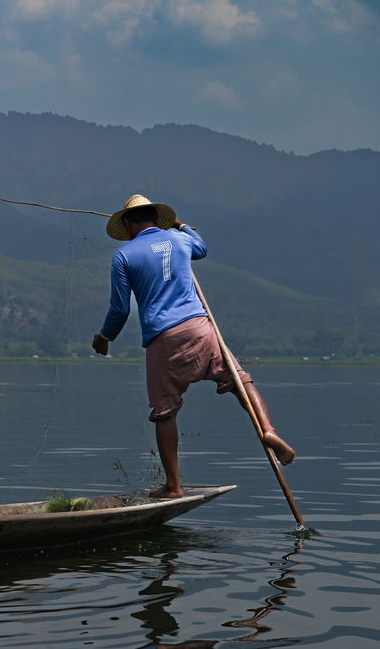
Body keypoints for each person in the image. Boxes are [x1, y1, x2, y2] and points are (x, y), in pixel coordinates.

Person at [91, 194, 294, 498]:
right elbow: (202, 247)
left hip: (164, 337)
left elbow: (120, 310)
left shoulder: (124, 255)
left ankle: (174, 487)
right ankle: (269, 430)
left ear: (129, 225)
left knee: (165, 412)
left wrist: (104, 337)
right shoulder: (179, 239)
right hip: (200, 328)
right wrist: (181, 225)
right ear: (157, 219)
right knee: (242, 381)